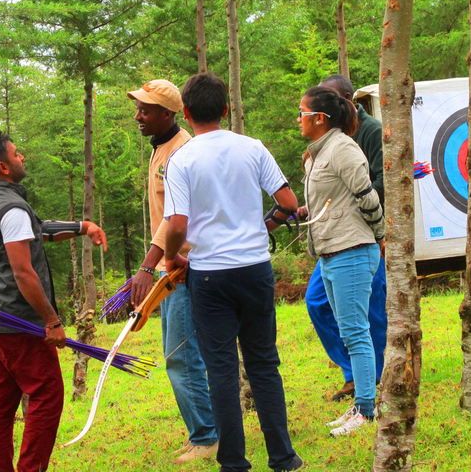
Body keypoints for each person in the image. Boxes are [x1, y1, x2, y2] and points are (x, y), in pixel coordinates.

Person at [163, 72, 304, 472]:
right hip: (255, 269)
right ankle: (283, 457)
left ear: (186, 113)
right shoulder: (252, 148)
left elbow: (176, 225)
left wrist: (173, 258)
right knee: (263, 364)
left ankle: (234, 464)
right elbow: (289, 202)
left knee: (221, 370)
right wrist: (260, 228)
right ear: (226, 109)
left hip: (209, 276)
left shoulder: (181, 159)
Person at [0, 132, 107, 472]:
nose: (23, 159)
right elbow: (23, 273)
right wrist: (51, 320)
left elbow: (36, 229)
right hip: (21, 321)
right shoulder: (10, 207)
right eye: (17, 155)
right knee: (47, 395)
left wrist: (82, 226)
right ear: (3, 167)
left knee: (0, 402)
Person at [125, 79, 219, 463]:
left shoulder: (180, 151)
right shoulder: (162, 148)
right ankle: (206, 429)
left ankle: (207, 436)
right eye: (138, 109)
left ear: (169, 113)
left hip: (182, 267)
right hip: (174, 264)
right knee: (186, 350)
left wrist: (148, 266)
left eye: (145, 110)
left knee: (180, 352)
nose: (138, 117)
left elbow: (174, 217)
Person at [298, 85, 384, 436]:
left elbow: (367, 196)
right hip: (331, 253)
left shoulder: (343, 149)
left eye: (302, 114)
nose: (298, 120)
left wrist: (378, 234)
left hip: (352, 250)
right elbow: (334, 198)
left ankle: (366, 410)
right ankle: (361, 404)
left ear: (320, 118)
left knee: (356, 333)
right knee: (351, 334)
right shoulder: (319, 152)